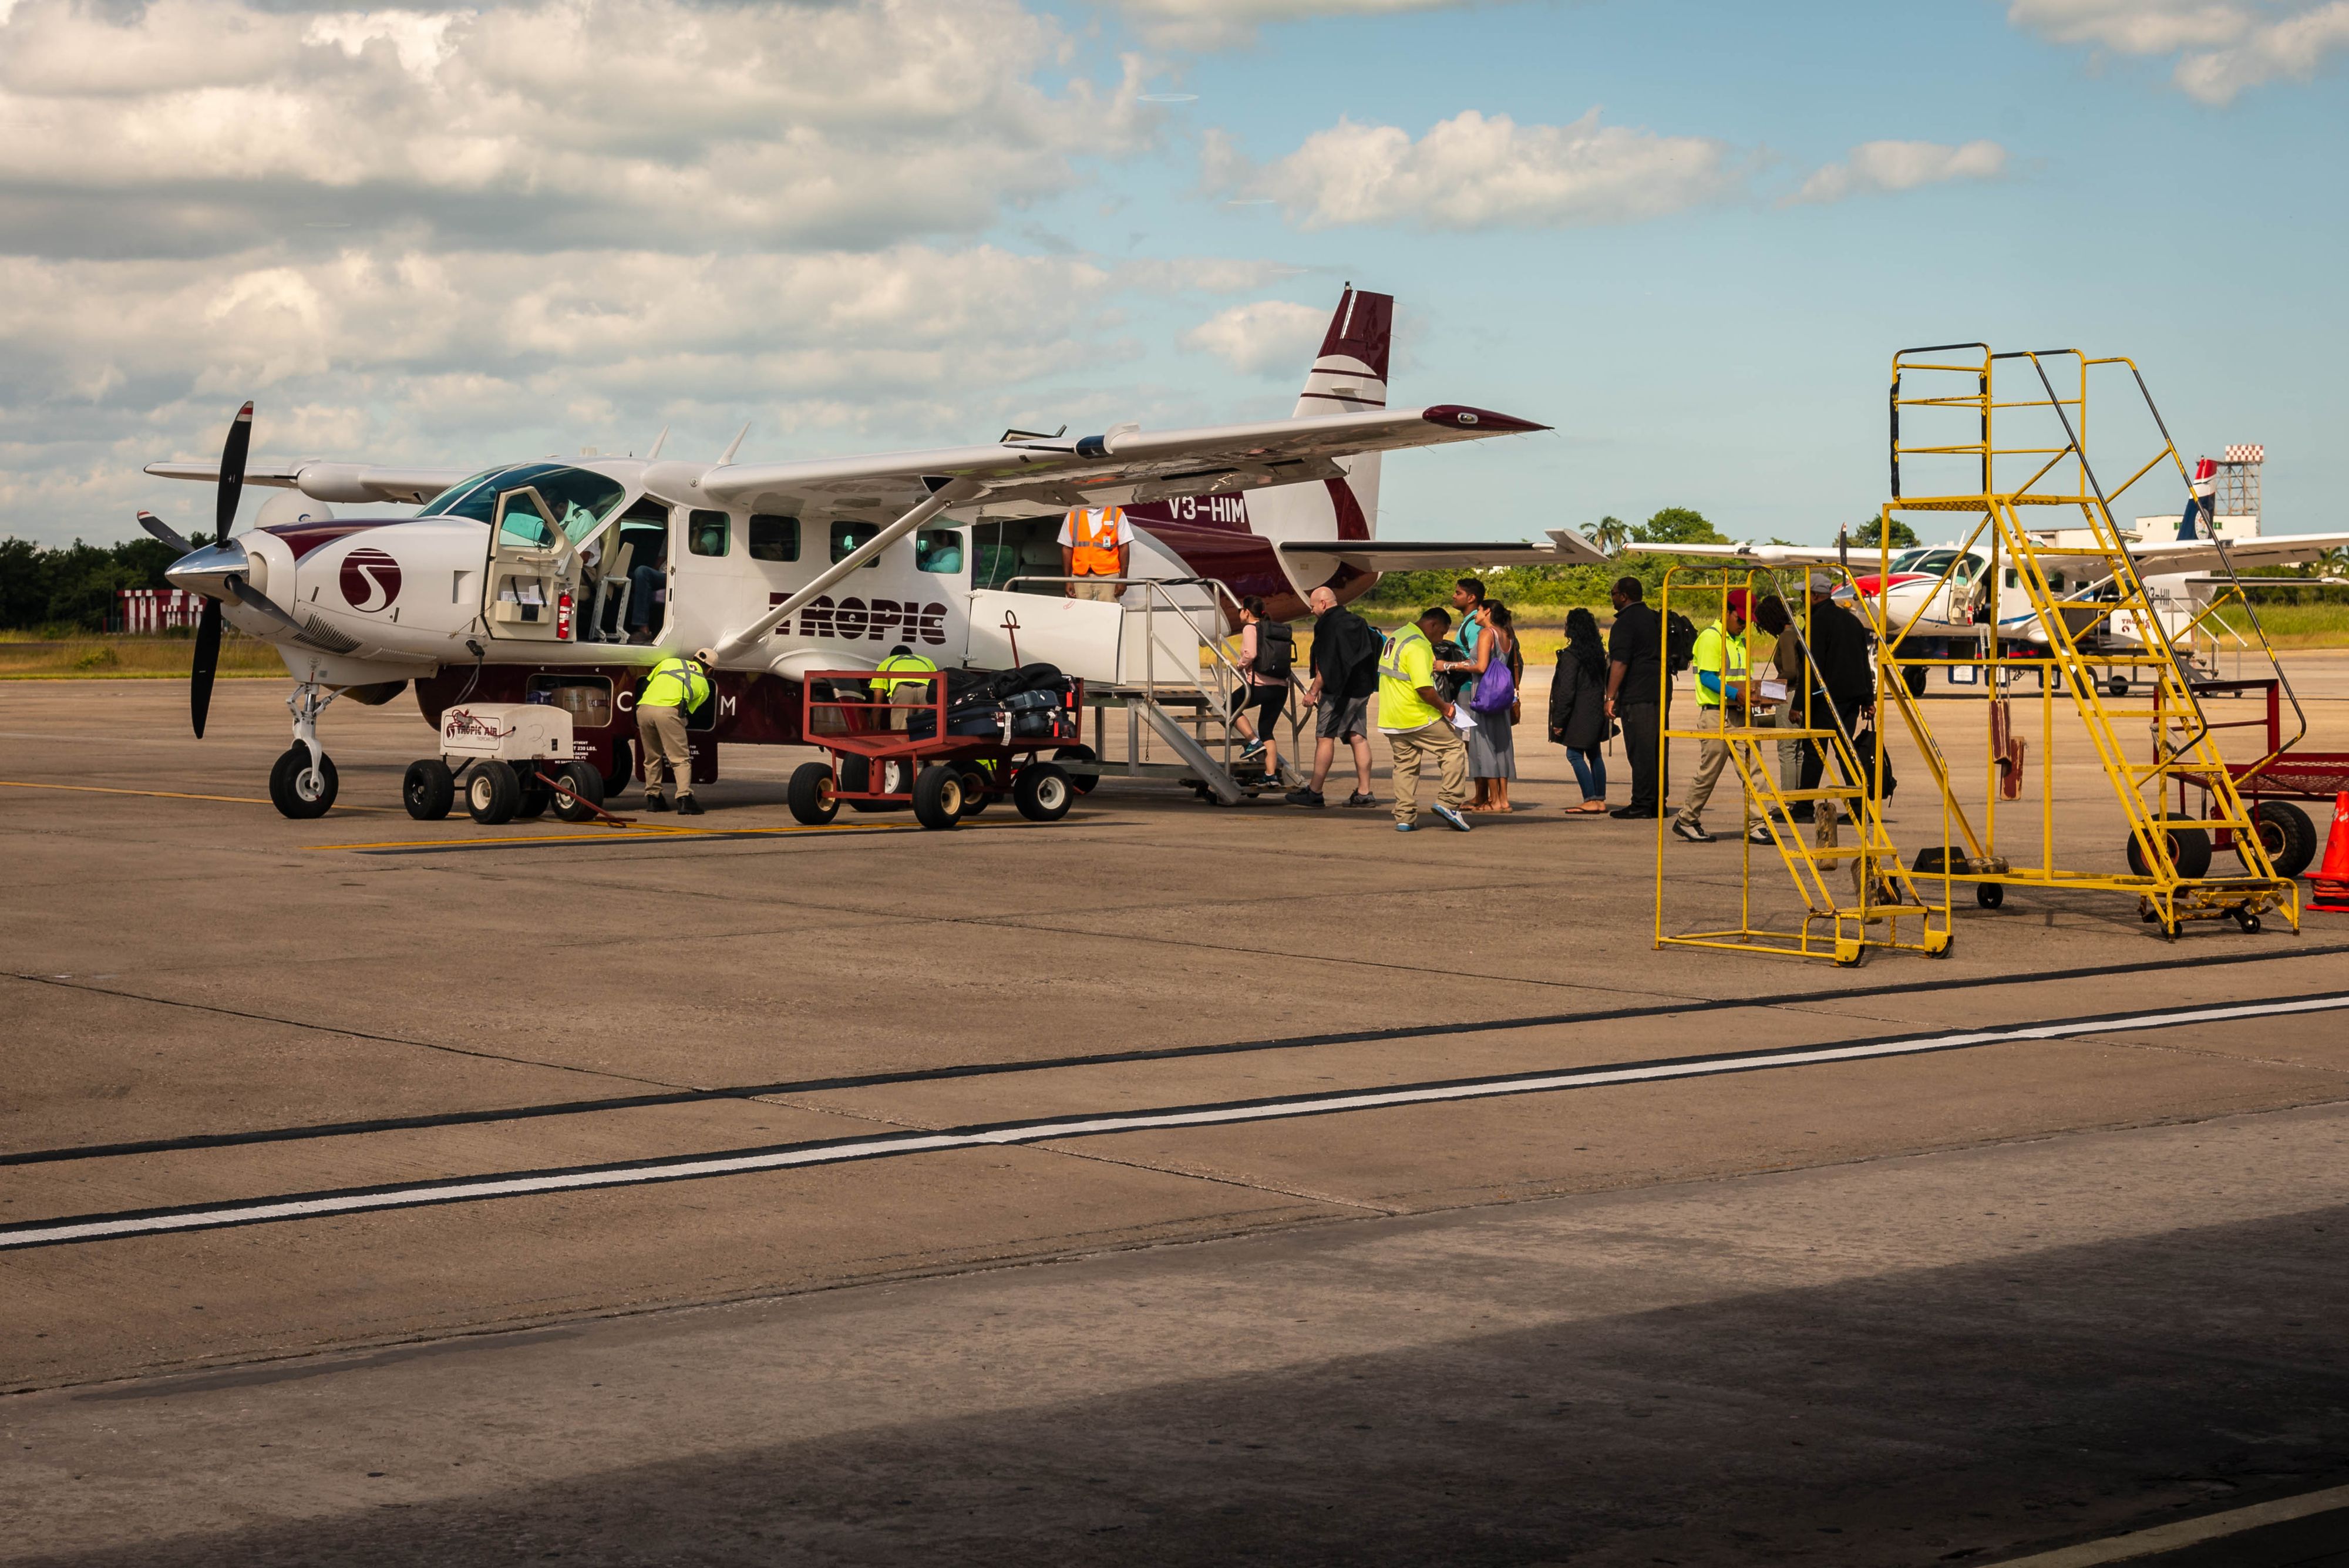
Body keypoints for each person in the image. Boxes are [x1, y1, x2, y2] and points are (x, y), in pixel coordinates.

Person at [1672, 588, 1773, 844]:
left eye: (1747, 622)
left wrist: (1756, 696)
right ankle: (1687, 819)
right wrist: (1734, 694)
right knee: (1710, 771)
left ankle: (1758, 824)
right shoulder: (1711, 638)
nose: (1743, 625)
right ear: (1726, 613)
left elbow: (1745, 680)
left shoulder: (1740, 642)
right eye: (1740, 620)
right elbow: (1707, 677)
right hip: (1717, 715)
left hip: (1740, 715)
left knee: (1754, 770)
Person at [1379, 608, 1473, 833]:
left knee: (1405, 766)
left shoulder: (1397, 636)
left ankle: (1404, 817)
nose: (1441, 639)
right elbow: (1424, 688)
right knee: (1454, 749)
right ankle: (1449, 802)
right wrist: (1446, 708)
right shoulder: (1419, 645)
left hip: (1391, 716)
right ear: (1432, 625)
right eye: (1441, 633)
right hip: (1416, 715)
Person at [1288, 585, 1380, 807]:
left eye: (1312, 606)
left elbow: (1329, 665)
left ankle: (1315, 791)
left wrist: (1313, 692)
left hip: (1340, 692)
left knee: (1325, 737)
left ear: (1323, 603)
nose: (1311, 611)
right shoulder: (1357, 621)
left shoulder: (1330, 625)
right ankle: (1364, 792)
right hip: (1362, 689)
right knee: (1358, 737)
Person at [1603, 577, 1665, 820]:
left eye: (1614, 593)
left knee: (1640, 750)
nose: (1612, 597)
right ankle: (1658, 801)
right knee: (1657, 749)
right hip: (1658, 691)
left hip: (1637, 695)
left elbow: (1620, 662)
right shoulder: (1653, 618)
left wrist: (1610, 696)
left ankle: (1641, 803)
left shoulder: (1625, 623)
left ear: (1624, 596)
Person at [1458, 600, 1522, 812]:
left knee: (1485, 746)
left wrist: (1453, 666)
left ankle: (1494, 800)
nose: (1476, 614)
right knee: (1502, 746)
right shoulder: (1507, 634)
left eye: (1478, 610)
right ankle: (1503, 800)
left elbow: (1481, 666)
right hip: (1501, 696)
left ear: (1487, 612)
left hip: (1485, 694)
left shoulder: (1487, 633)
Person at [636, 647, 714, 815]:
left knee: (652, 757)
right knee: (679, 759)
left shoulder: (668, 662)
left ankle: (653, 798)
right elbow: (684, 712)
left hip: (644, 709)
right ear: (710, 670)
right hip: (668, 712)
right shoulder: (704, 686)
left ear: (693, 658)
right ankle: (685, 799)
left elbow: (648, 682)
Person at [1549, 605, 1611, 812]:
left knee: (1574, 755)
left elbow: (1566, 692)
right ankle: (1600, 798)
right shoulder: (1597, 655)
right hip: (1595, 711)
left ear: (1573, 628)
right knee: (1595, 755)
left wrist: (1559, 722)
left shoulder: (1571, 656)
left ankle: (1591, 798)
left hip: (1579, 715)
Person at [1231, 596, 1293, 773]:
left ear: (1247, 612)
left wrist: (1239, 665)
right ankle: (1270, 775)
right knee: (1267, 730)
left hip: (1259, 685)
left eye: (1241, 610)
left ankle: (1253, 741)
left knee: (1230, 706)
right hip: (1281, 688)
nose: (1240, 614)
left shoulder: (1251, 628)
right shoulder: (1272, 628)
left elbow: (1250, 654)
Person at [1059, 504, 1131, 601]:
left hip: (1109, 577)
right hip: (1080, 577)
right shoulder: (1073, 514)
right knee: (1080, 613)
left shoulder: (1116, 513)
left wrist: (1123, 580)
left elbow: (1124, 547)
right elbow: (1067, 548)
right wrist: (1068, 581)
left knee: (1108, 614)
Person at [875, 644, 940, 735]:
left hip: (903, 692)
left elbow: (877, 702)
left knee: (901, 732)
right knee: (926, 730)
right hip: (925, 692)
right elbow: (937, 683)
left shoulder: (887, 662)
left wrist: (873, 730)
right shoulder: (926, 661)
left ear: (893, 656)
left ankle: (902, 748)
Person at [625, 534, 667, 642]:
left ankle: (644, 629)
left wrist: (697, 530)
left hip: (675, 576)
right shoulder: (671, 536)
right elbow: (661, 559)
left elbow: (696, 549)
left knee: (642, 571)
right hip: (661, 574)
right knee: (628, 576)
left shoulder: (709, 536)